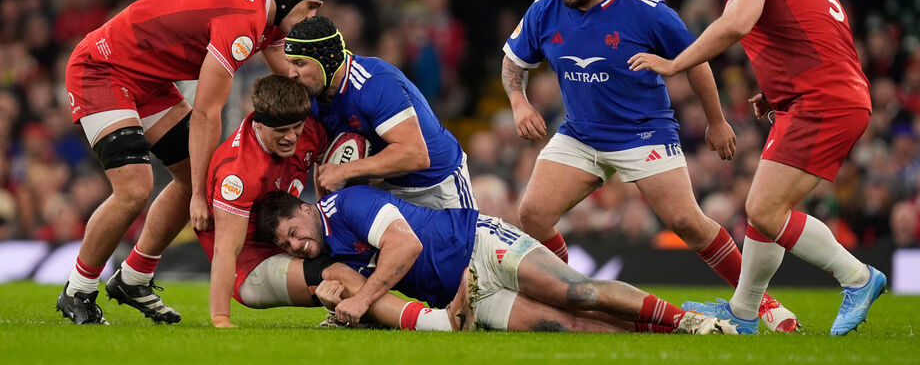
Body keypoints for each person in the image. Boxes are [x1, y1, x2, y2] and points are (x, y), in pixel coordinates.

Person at [500, 0, 797, 332]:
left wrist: (716, 121)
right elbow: (513, 61)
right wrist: (519, 102)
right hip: (581, 133)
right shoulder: (546, 7)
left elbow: (697, 61)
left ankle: (763, 304)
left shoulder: (646, 10)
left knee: (688, 222)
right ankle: (570, 294)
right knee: (532, 213)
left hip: (643, 133)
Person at [628, 0, 885, 335]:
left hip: (820, 102)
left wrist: (674, 64)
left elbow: (735, 24)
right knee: (764, 210)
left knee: (765, 210)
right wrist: (777, 91)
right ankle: (745, 312)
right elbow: (814, 34)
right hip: (829, 95)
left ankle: (857, 278)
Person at [59, 0, 327, 325]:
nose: (311, 17)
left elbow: (290, 74)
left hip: (149, 80)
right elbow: (205, 112)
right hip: (103, 69)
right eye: (310, 6)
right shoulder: (243, 20)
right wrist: (201, 198)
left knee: (195, 175)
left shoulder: (268, 6)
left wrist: (334, 91)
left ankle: (134, 278)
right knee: (136, 188)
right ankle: (78, 289)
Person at [254, 186, 738, 334]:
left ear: (304, 209)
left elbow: (406, 248)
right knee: (567, 326)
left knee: (579, 291)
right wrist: (340, 309)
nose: (296, 247)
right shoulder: (331, 253)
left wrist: (361, 301)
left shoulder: (349, 204)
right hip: (466, 295)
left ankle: (688, 320)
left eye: (294, 233)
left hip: (478, 244)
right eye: (287, 246)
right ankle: (670, 336)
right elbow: (370, 298)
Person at [197, 74, 471, 330]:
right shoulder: (238, 174)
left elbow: (330, 169)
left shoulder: (310, 132)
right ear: (258, 123)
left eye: (296, 127)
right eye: (281, 130)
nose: (291, 137)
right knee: (339, 273)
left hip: (288, 237)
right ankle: (440, 323)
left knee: (358, 248)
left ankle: (356, 316)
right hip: (252, 264)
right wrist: (221, 319)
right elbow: (225, 250)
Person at [285, 16, 476, 210]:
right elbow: (325, 170)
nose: (291, 73)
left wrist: (345, 171)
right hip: (386, 189)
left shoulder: (375, 82)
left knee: (464, 241)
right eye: (290, 63)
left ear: (328, 59)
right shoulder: (312, 96)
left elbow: (415, 155)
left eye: (300, 63)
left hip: (436, 184)